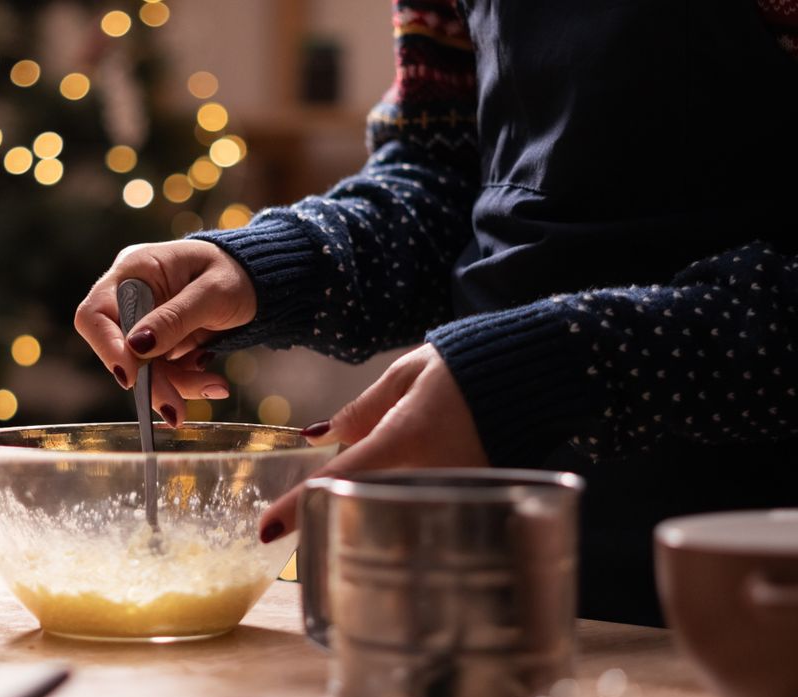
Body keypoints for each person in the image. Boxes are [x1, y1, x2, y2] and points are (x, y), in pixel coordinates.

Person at [76, 0, 798, 626]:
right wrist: (260, 267)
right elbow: (443, 175)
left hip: (751, 584)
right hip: (485, 553)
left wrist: (553, 367)